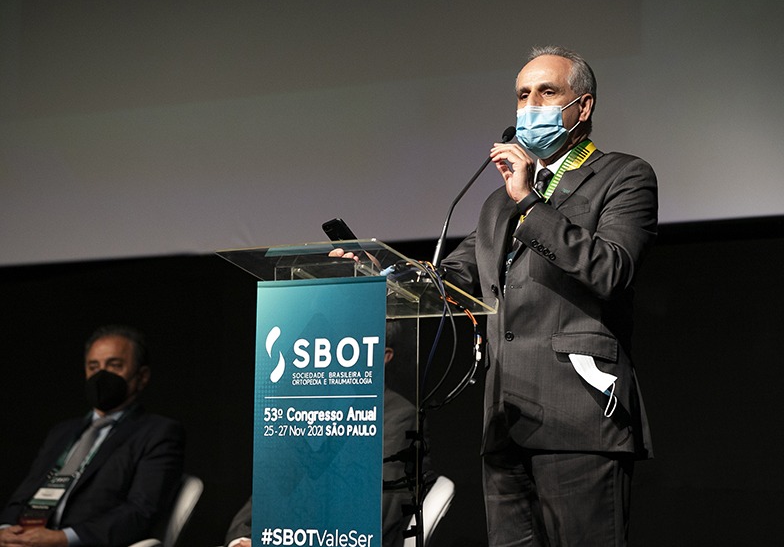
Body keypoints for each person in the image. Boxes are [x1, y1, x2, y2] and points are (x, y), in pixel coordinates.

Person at [439, 46, 658, 546]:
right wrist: (380, 273)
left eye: (547, 91)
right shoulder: (498, 203)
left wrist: (529, 202)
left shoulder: (624, 176)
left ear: (583, 106)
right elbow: (453, 276)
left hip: (578, 415)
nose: (531, 105)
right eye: (522, 95)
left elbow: (612, 269)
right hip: (505, 419)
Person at [223, 320, 426, 547]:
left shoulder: (399, 416)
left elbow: (377, 509)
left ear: (383, 356)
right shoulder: (310, 409)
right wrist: (243, 538)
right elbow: (275, 485)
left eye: (353, 346)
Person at [0, 325, 185, 547]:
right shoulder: (62, 432)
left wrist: (64, 538)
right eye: (93, 366)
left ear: (142, 376)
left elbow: (141, 511)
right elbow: (24, 494)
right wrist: (5, 530)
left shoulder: (158, 433)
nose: (101, 375)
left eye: (114, 365)